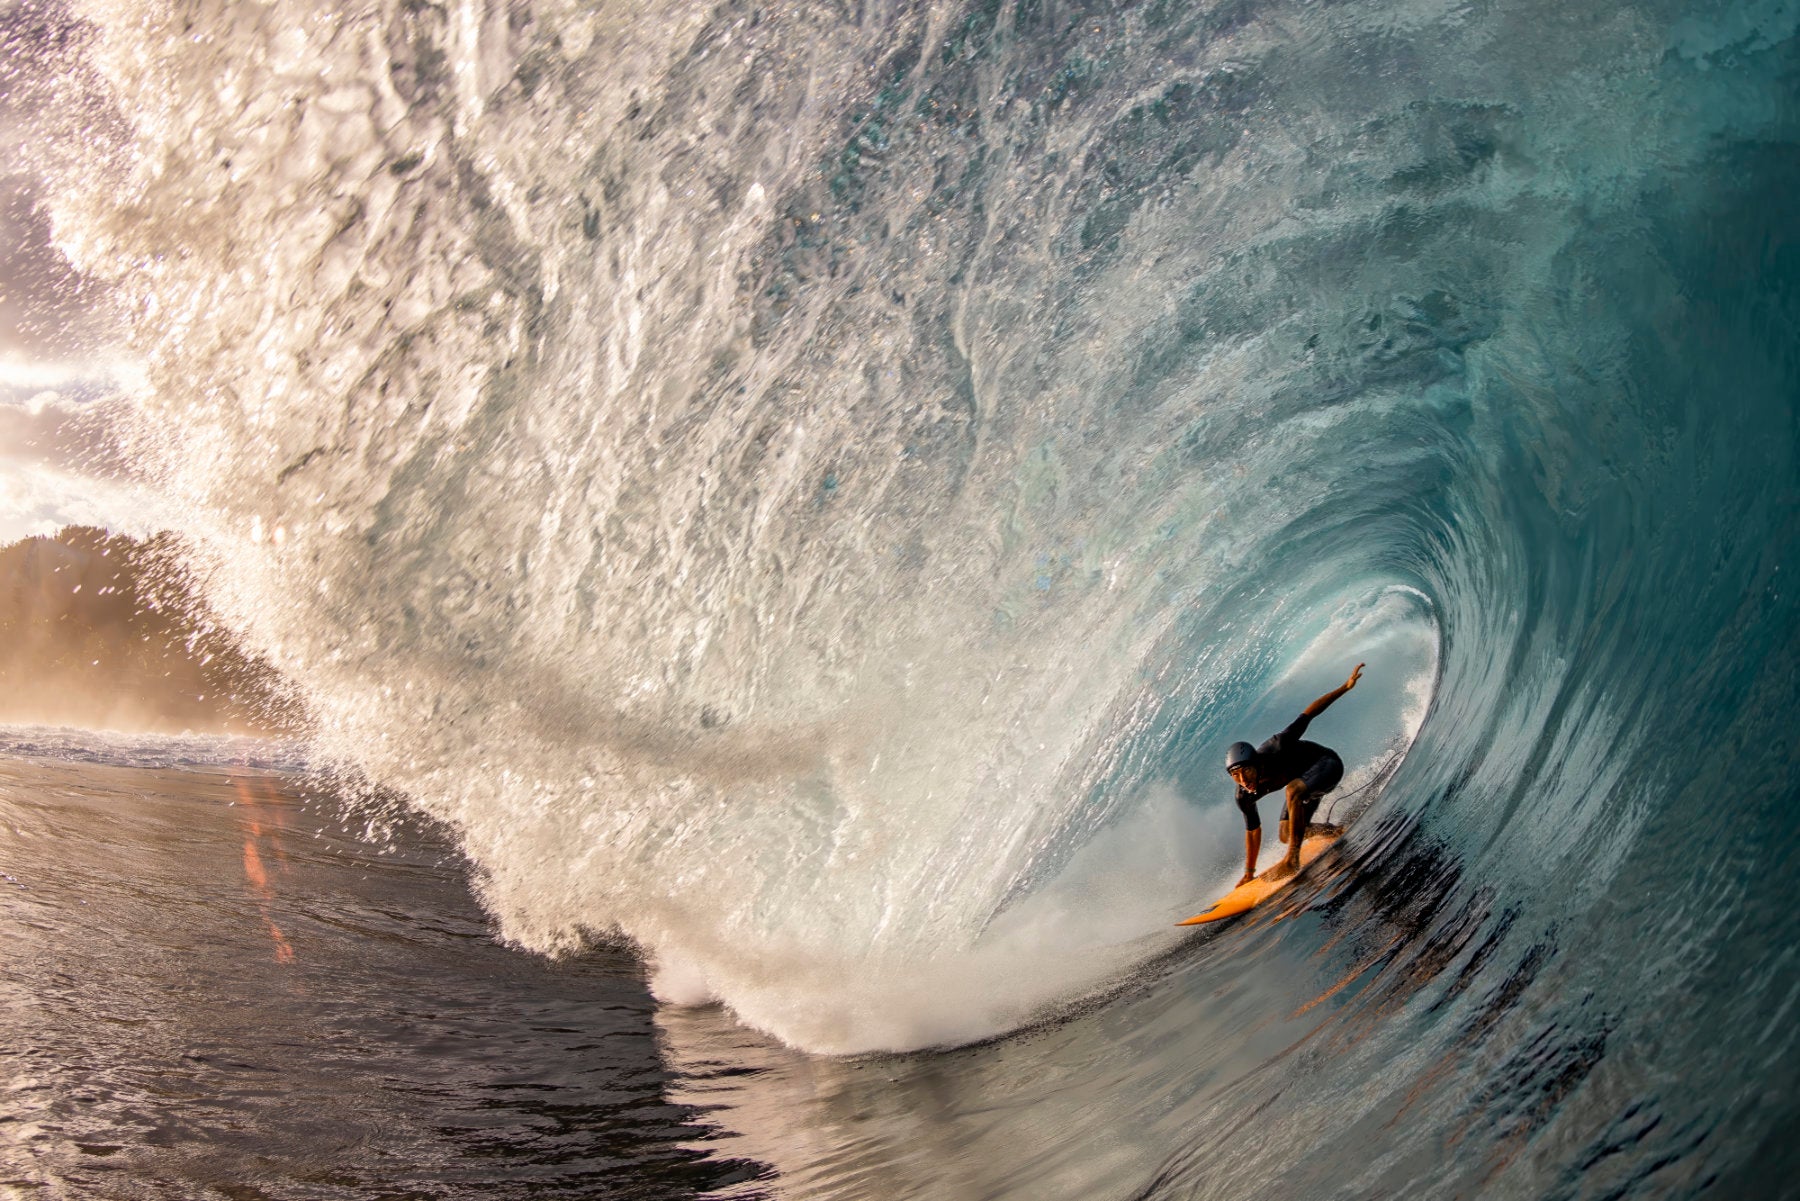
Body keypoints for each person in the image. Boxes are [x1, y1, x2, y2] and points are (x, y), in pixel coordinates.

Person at [1227, 663, 1363, 885]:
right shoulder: (1244, 794)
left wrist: (1345, 687)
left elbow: (1309, 713)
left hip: (1327, 765)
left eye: (1246, 772)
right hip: (1305, 788)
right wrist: (1249, 873)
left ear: (1256, 763)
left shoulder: (1277, 746)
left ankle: (1292, 860)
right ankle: (1336, 831)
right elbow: (1252, 831)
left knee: (1292, 790)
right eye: (1236, 776)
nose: (1243, 781)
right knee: (1286, 834)